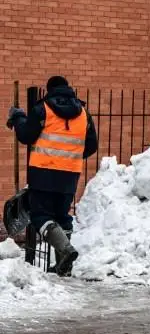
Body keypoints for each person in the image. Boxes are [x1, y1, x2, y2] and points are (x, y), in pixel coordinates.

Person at [7, 76, 98, 276]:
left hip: (43, 172)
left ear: (50, 90)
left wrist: (18, 117)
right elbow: (91, 146)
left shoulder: (43, 109)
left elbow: (26, 135)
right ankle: (63, 266)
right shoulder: (84, 114)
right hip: (70, 174)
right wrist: (70, 155)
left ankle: (66, 251)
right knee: (62, 217)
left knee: (40, 215)